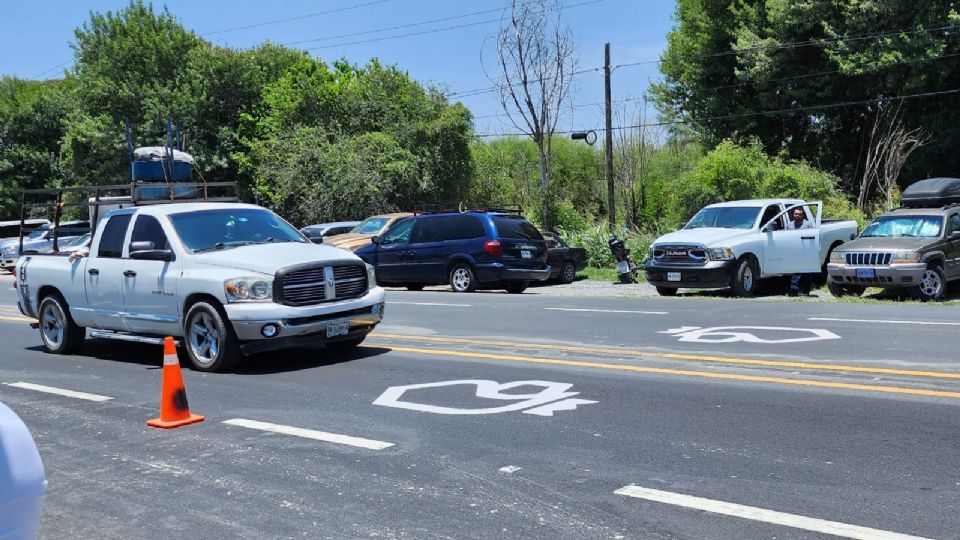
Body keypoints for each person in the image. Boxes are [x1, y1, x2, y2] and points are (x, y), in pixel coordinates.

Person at [788, 207, 813, 297]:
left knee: (807, 272)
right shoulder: (789, 225)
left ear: (802, 215)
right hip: (795, 252)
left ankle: (806, 291)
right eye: (796, 214)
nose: (797, 215)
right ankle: (794, 290)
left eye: (799, 214)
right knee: (796, 271)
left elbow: (813, 237)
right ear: (793, 215)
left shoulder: (808, 224)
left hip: (806, 251)